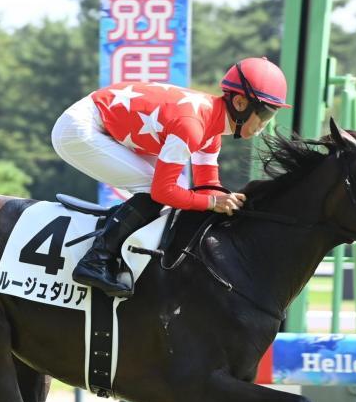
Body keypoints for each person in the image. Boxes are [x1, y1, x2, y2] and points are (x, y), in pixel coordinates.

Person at [51, 57, 291, 298]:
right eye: (265, 114)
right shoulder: (193, 126)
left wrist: (230, 204)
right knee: (155, 189)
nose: (263, 125)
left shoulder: (212, 128)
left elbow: (208, 188)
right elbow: (163, 192)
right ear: (240, 103)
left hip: (106, 123)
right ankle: (96, 261)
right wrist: (212, 203)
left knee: (177, 191)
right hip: (80, 128)